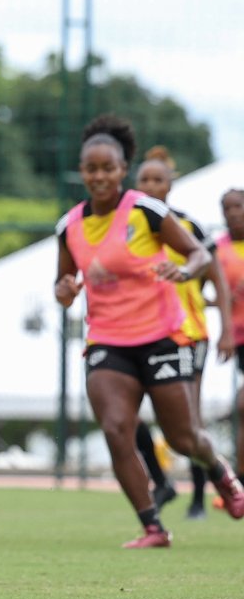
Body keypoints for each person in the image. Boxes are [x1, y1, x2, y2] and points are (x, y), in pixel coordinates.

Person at [54, 114, 244, 549]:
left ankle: (220, 473)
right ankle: (153, 527)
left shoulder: (145, 210)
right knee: (117, 428)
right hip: (107, 341)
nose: (99, 176)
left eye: (108, 168)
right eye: (91, 169)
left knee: (182, 438)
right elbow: (63, 287)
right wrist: (64, 291)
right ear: (82, 172)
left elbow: (199, 254)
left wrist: (182, 270)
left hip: (160, 337)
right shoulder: (69, 227)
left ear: (123, 170)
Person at [132, 146, 232, 520]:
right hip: (139, 334)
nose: (151, 186)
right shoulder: (124, 227)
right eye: (145, 179)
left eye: (158, 180)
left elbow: (216, 276)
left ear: (170, 185)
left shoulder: (188, 227)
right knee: (126, 415)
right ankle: (162, 481)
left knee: (188, 424)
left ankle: (199, 499)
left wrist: (223, 327)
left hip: (188, 333)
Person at [216, 189, 244, 488]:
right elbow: (206, 295)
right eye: (227, 208)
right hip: (237, 337)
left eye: (238, 206)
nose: (232, 213)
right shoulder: (217, 250)